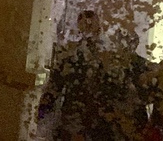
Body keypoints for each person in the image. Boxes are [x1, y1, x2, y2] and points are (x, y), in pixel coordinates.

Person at [38, 10, 116, 140]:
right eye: (83, 20)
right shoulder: (72, 54)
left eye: (90, 20)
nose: (87, 23)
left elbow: (53, 88)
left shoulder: (108, 55)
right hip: (78, 122)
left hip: (94, 123)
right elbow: (54, 87)